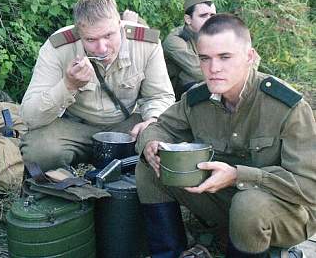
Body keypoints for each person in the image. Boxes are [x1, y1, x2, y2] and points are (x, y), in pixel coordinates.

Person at [135, 14, 315, 257]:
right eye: (205, 59)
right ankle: (168, 253)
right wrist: (151, 143)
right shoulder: (197, 100)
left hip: (289, 209)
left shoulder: (286, 106)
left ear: (249, 57)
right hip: (226, 198)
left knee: (248, 204)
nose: (213, 69)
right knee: (150, 167)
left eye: (225, 57)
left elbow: (308, 187)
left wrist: (238, 176)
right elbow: (160, 126)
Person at [20, 0, 175, 171]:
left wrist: (153, 120)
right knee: (39, 151)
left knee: (163, 140)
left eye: (109, 36)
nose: (101, 48)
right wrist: (68, 85)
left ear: (120, 24)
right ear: (79, 33)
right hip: (75, 128)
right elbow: (30, 117)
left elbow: (160, 96)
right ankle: (62, 187)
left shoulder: (145, 43)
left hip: (127, 128)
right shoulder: (58, 47)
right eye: (91, 39)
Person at [163, 0, 217, 99]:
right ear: (188, 19)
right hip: (174, 98)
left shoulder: (214, 35)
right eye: (203, 16)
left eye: (212, 15)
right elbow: (199, 71)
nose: (209, 20)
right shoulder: (175, 40)